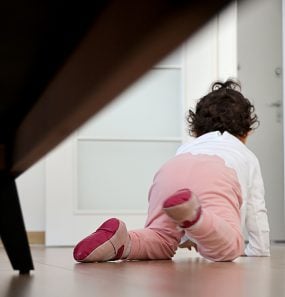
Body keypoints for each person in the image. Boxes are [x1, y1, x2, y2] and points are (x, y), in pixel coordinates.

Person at [73, 79, 270, 263]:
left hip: (171, 170)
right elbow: (255, 210)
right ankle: (197, 217)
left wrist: (187, 234)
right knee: (229, 245)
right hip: (217, 174)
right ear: (246, 131)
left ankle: (124, 242)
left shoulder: (186, 148)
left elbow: (179, 209)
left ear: (196, 129)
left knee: (161, 238)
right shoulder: (245, 155)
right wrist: (259, 250)